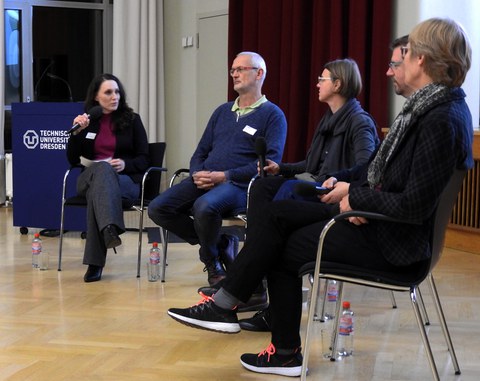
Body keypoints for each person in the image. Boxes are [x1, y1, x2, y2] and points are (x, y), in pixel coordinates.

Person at [167, 17, 473, 377]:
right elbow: (380, 176)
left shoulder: (438, 118)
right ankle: (236, 306)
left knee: (283, 243)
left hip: (394, 243)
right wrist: (350, 190)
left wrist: (358, 199)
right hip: (382, 226)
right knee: (278, 212)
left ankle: (271, 341)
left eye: (402, 58)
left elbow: (413, 206)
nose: (393, 70)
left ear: (421, 58)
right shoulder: (429, 110)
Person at [203, 58, 380, 330]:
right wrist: (280, 168)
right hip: (316, 187)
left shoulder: (359, 122)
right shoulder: (329, 120)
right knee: (263, 185)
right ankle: (253, 286)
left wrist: (340, 181)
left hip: (333, 196)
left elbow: (367, 168)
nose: (317, 84)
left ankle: (246, 286)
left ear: (338, 84)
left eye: (322, 79)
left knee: (284, 200)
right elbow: (311, 167)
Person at [148, 52, 287, 288]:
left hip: (240, 185)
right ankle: (218, 243)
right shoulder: (222, 112)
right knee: (158, 208)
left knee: (205, 206)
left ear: (259, 73)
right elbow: (200, 152)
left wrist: (225, 176)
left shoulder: (273, 115)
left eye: (241, 69)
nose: (234, 74)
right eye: (233, 70)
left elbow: (268, 164)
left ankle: (212, 263)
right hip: (205, 180)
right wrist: (196, 173)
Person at [67, 73, 149, 283]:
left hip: (125, 182)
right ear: (96, 96)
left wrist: (125, 164)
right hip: (89, 177)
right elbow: (72, 159)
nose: (115, 97)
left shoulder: (132, 120)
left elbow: (144, 159)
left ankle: (97, 261)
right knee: (102, 171)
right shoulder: (87, 122)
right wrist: (76, 135)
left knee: (99, 194)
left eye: (117, 92)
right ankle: (109, 228)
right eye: (108, 92)